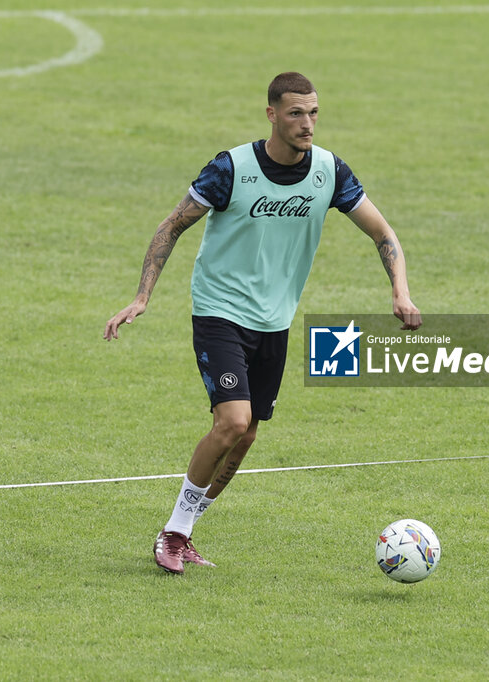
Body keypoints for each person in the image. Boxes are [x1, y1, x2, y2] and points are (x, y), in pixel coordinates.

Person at [104, 72, 421, 574]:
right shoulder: (232, 168)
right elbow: (173, 225)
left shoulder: (329, 172)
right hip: (220, 312)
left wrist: (399, 290)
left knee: (247, 434)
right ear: (272, 114)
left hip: (275, 321)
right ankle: (172, 532)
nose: (307, 123)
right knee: (230, 421)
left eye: (314, 112)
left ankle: (184, 531)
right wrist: (142, 296)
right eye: (296, 113)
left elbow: (383, 232)